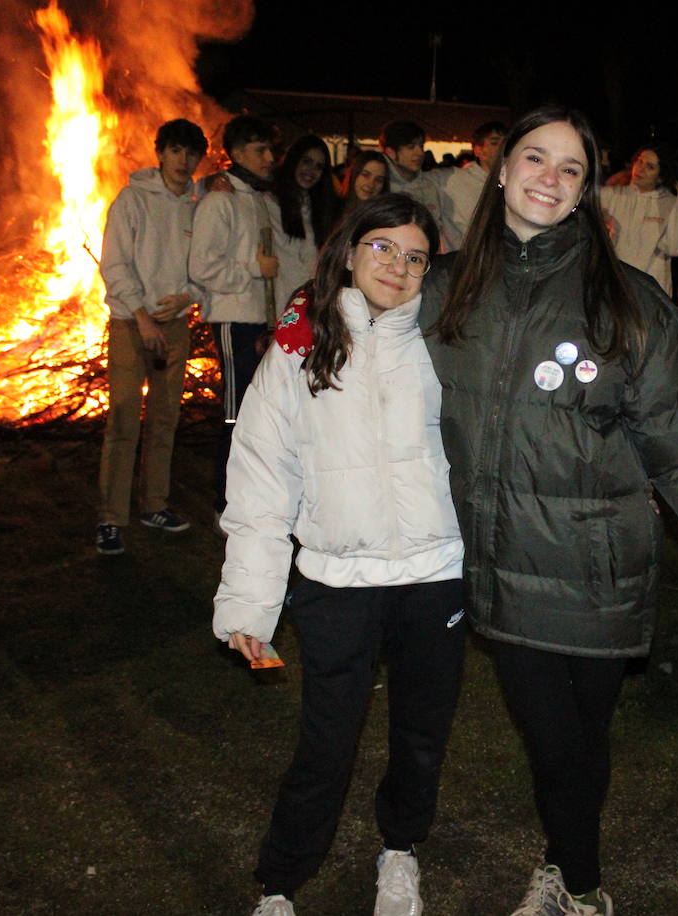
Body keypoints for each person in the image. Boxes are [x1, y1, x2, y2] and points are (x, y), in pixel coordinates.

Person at [422, 106, 678, 916]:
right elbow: (362, 344)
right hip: (502, 554)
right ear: (500, 169)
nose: (549, 178)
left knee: (582, 734)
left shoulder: (626, 300)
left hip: (601, 560)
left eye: (570, 168)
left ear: (584, 189)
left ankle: (562, 863)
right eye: (535, 158)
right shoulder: (447, 285)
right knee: (553, 736)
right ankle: (581, 884)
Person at [214, 194, 464, 916]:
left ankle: (400, 852)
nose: (398, 266)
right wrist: (251, 601)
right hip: (337, 580)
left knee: (421, 738)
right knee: (326, 747)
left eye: (416, 256)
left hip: (434, 577)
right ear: (350, 251)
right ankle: (280, 884)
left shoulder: (445, 344)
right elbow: (262, 478)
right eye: (383, 247)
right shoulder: (300, 345)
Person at [95, 118, 207, 555]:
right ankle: (110, 519)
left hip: (175, 324)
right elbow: (115, 264)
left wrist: (190, 297)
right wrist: (141, 317)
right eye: (176, 151)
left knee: (165, 419)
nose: (184, 161)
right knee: (124, 420)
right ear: (160, 153)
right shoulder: (132, 200)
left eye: (192, 153)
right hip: (130, 324)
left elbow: (205, 263)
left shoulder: (198, 205)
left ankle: (154, 504)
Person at [190, 114, 280, 525]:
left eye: (270, 149)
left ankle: (251, 493)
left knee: (259, 412)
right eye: (259, 149)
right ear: (237, 153)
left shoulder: (261, 198)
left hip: (262, 320)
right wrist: (250, 268)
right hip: (233, 320)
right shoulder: (220, 201)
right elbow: (202, 266)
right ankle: (223, 502)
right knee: (234, 411)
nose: (269, 157)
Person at [599, 144, 678, 297]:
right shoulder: (610, 196)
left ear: (661, 175)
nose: (641, 168)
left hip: (651, 294)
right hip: (615, 290)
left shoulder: (669, 203)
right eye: (639, 161)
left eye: (650, 166)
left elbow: (675, 247)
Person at [267, 134, 339, 316]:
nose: (311, 171)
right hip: (275, 309)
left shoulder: (322, 209)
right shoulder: (268, 202)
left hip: (307, 310)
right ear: (293, 160)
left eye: (319, 167)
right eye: (306, 161)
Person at [379, 120, 456, 251]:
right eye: (411, 147)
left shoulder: (429, 185)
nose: (419, 152)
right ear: (391, 152)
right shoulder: (380, 185)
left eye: (421, 146)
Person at [444, 120, 506, 244]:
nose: (502, 148)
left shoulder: (513, 182)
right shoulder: (459, 181)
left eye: (505, 143)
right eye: (495, 143)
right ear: (478, 151)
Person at [339, 149, 390, 220]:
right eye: (365, 175)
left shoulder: (383, 219)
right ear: (354, 174)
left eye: (379, 180)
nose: (371, 184)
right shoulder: (334, 209)